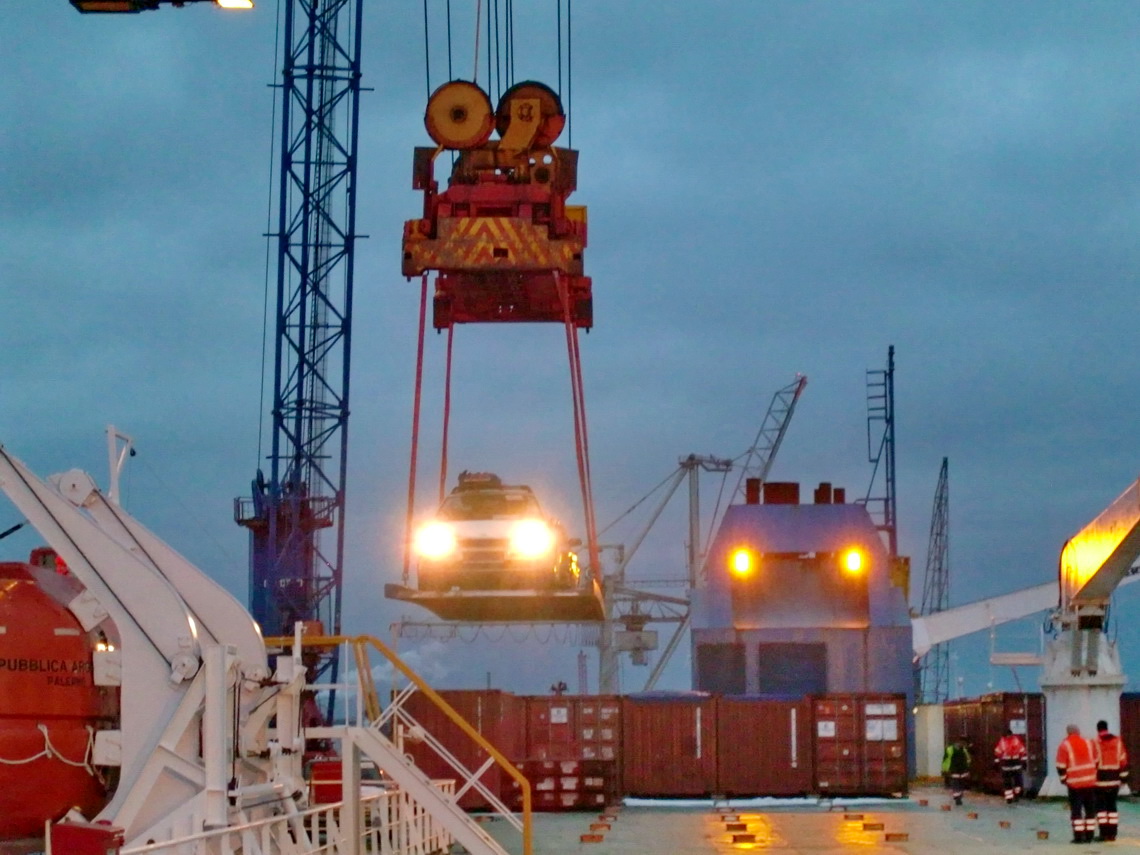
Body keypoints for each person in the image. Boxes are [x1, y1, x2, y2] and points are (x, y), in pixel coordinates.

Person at [1056, 723, 1100, 844]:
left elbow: (1061, 766)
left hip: (1074, 784)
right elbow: (1096, 760)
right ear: (1078, 732)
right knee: (1090, 810)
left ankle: (1079, 837)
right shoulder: (1089, 743)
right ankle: (1090, 835)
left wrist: (1064, 779)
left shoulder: (1064, 746)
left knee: (1076, 811)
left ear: (1068, 733)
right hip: (1090, 782)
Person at [1094, 719, 1130, 842]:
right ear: (1107, 728)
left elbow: (1093, 762)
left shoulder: (1095, 743)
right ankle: (1112, 834)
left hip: (1100, 781)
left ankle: (1103, 833)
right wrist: (1124, 778)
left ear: (1098, 729)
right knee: (1112, 807)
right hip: (1115, 780)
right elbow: (1123, 760)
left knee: (1101, 809)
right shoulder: (1118, 742)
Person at [994, 727, 1028, 804]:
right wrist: (1024, 762)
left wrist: (996, 763)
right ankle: (1011, 797)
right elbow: (1023, 752)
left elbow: (997, 753)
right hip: (1014, 764)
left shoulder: (1002, 742)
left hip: (1008, 764)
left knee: (1012, 782)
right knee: (1013, 782)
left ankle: (1013, 796)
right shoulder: (1016, 741)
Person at [943, 738, 971, 805]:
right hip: (953, 770)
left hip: (962, 771)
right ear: (958, 742)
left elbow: (968, 759)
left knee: (961, 785)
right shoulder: (950, 749)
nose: (963, 745)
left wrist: (967, 769)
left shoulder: (964, 750)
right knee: (955, 783)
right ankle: (957, 798)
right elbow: (946, 761)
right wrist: (945, 770)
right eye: (963, 743)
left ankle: (959, 796)